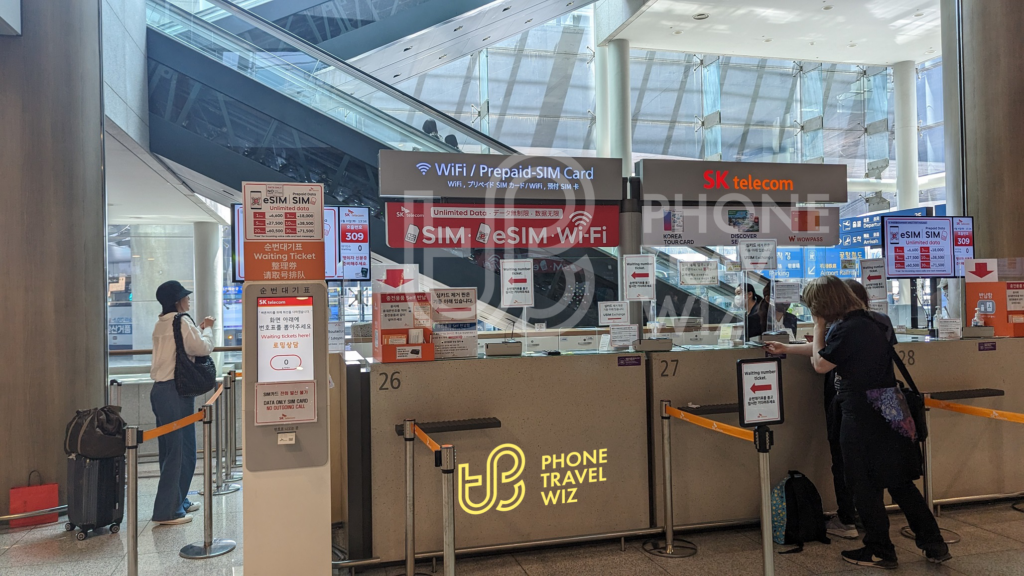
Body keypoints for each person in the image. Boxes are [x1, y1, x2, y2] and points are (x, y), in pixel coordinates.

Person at [803, 276, 949, 568]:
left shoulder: (846, 328)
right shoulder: (871, 323)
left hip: (862, 414)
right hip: (889, 407)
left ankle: (880, 549)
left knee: (862, 483)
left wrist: (818, 326)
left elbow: (821, 364)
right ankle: (934, 544)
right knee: (899, 481)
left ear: (822, 304)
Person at [150, 280, 216, 525]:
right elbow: (203, 348)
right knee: (181, 451)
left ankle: (178, 500)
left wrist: (196, 330)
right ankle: (168, 511)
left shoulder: (161, 323)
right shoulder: (182, 320)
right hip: (176, 392)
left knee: (172, 450)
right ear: (178, 301)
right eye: (185, 297)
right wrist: (207, 328)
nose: (188, 300)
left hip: (161, 390)